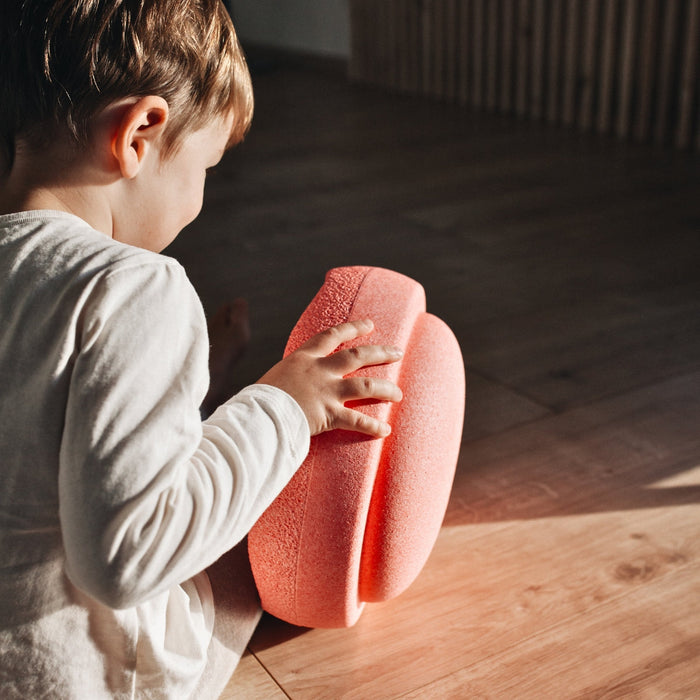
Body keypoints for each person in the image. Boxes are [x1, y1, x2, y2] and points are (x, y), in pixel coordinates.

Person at [0, 2, 403, 698]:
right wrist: (282, 406)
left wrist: (184, 383)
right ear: (140, 134)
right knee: (250, 547)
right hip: (71, 673)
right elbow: (127, 555)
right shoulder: (133, 288)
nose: (201, 196)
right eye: (207, 167)